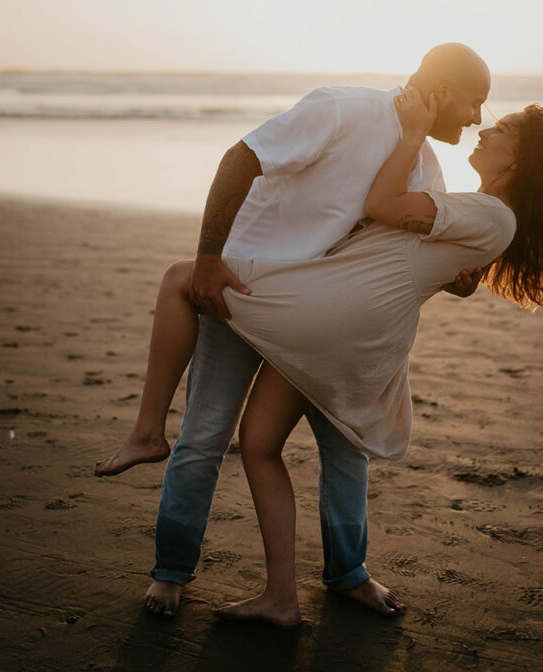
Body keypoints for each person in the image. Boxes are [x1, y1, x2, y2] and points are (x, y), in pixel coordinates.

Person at [96, 43, 491, 619]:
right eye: (474, 100)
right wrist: (209, 260)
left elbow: (406, 252)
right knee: (204, 435)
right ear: (440, 86)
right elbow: (241, 158)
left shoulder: (426, 164)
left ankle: (349, 574)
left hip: (322, 321)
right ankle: (171, 573)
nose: (477, 116)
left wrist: (457, 278)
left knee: (346, 446)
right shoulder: (342, 109)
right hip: (245, 293)